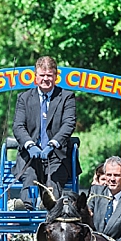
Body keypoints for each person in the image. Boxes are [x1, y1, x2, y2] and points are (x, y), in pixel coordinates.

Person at [12, 56, 76, 208]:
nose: (46, 79)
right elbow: (18, 126)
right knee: (30, 178)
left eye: (49, 75)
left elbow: (69, 123)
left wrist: (53, 144)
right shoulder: (24, 98)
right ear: (35, 76)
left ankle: (48, 206)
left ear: (56, 76)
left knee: (54, 181)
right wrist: (30, 144)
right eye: (42, 75)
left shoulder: (66, 97)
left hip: (56, 155)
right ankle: (25, 207)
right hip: (30, 155)